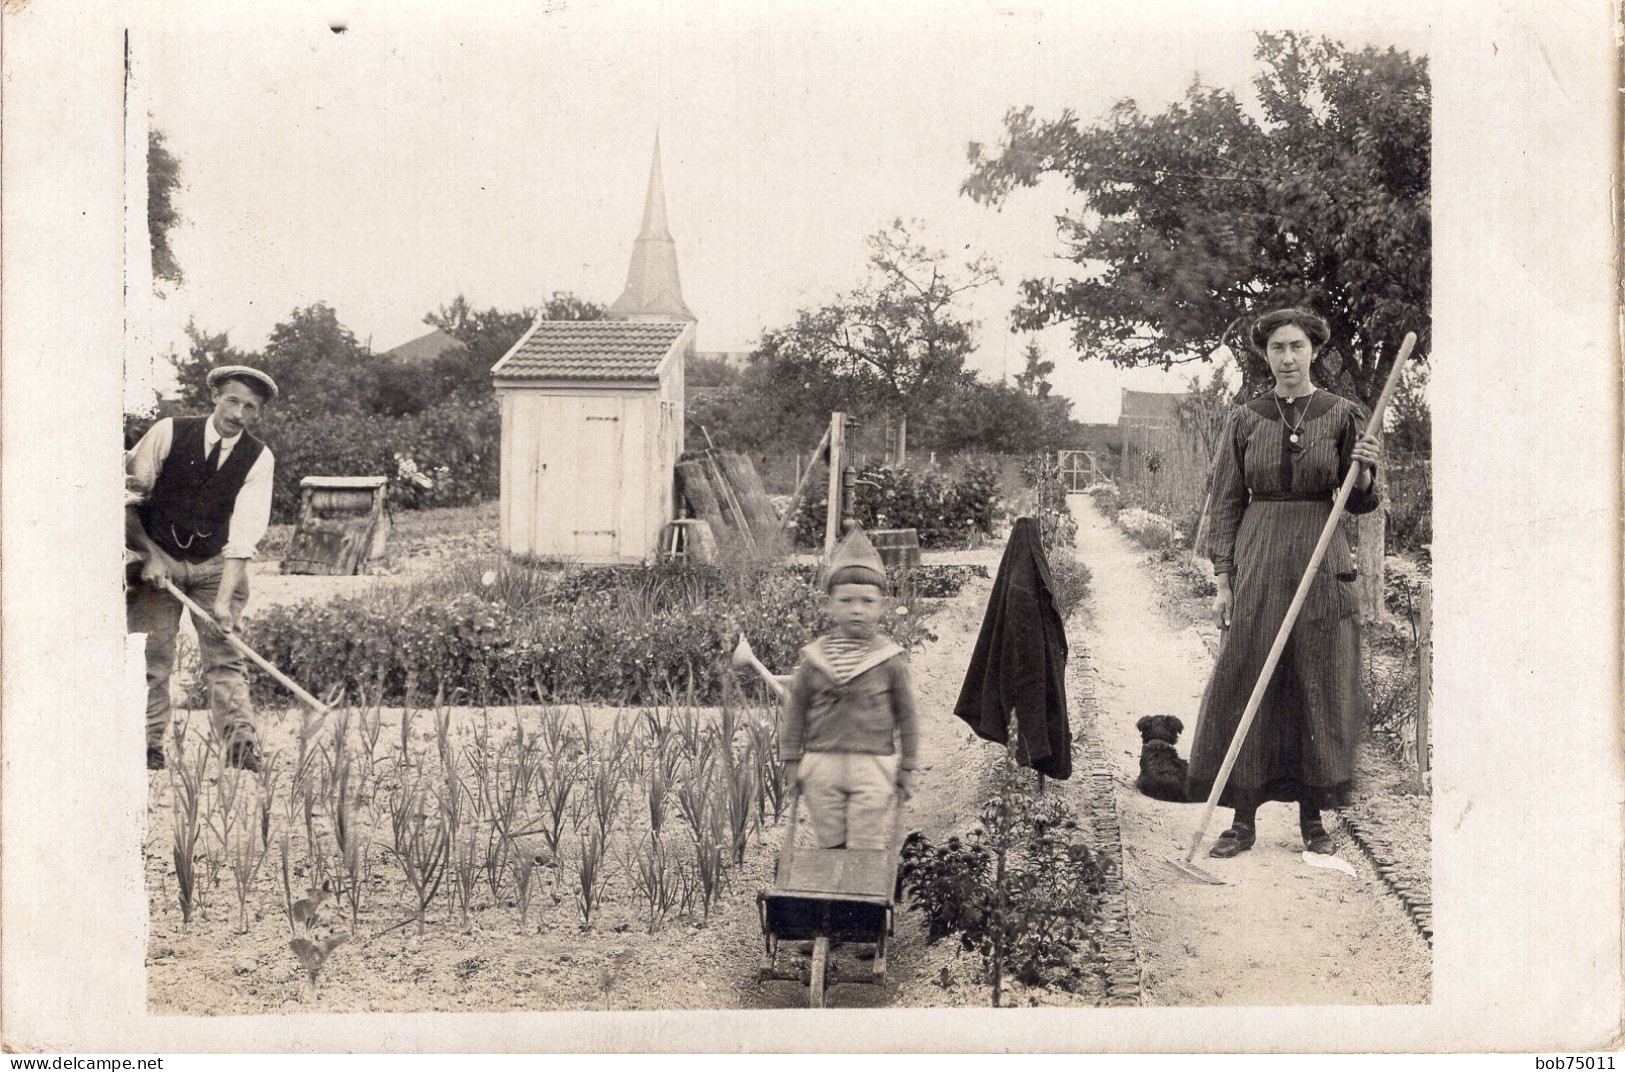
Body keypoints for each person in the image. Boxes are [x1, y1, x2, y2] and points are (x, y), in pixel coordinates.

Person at [1186, 307, 1382, 859]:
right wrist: (1223, 580)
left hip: (1321, 562)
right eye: (1277, 349)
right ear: (1264, 355)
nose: (1288, 357)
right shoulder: (1245, 419)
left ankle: (1313, 821)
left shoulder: (1344, 416)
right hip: (1262, 561)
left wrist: (1363, 469)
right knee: (1251, 678)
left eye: (1296, 346)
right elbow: (1225, 500)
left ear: (1313, 350)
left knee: (1315, 684)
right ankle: (1242, 821)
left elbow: (1363, 501)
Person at [126, 366, 278, 773]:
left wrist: (224, 602)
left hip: (214, 566)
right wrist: (149, 556)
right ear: (214, 396)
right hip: (157, 556)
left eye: (250, 407)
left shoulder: (259, 458)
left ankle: (240, 747)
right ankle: (144, 746)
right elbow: (125, 496)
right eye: (232, 400)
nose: (238, 414)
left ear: (257, 414)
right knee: (152, 658)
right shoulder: (169, 432)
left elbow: (244, 535)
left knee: (225, 657)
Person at [779, 528, 919, 850]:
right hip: (821, 764)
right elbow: (796, 713)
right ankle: (831, 899)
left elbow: (908, 718)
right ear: (830, 604)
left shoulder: (890, 661)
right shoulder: (814, 659)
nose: (857, 609)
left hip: (873, 765)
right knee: (828, 842)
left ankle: (859, 899)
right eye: (846, 600)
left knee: (865, 843)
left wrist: (907, 766)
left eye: (867, 601)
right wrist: (791, 762)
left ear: (881, 605)